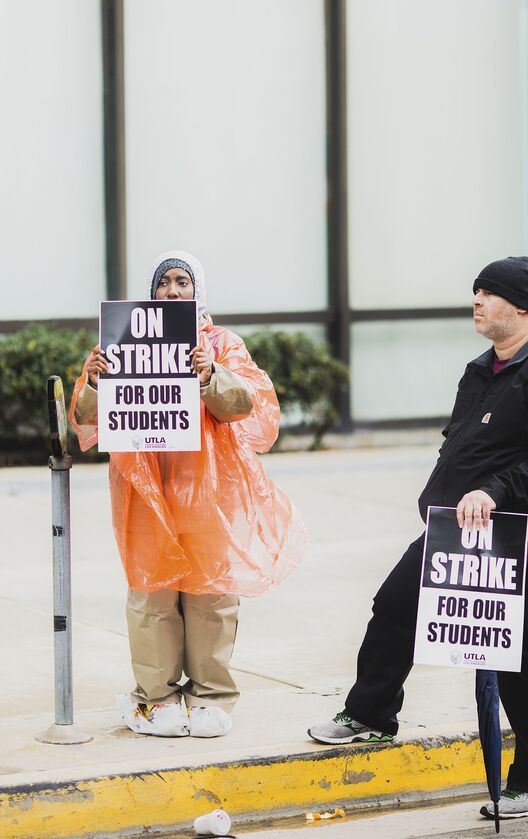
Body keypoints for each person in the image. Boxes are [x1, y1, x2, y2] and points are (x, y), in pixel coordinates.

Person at [309, 256, 528, 821]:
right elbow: (459, 441)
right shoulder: (479, 370)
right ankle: (372, 715)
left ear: (522, 305)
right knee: (396, 605)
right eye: (475, 291)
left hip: (512, 533)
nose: (476, 300)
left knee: (512, 659)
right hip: (452, 528)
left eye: (489, 292)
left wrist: (495, 491)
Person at [70, 250, 308, 738]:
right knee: (151, 589)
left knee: (209, 591)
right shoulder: (121, 339)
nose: (173, 291)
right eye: (165, 283)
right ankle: (154, 697)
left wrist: (210, 373)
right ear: (152, 291)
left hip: (209, 488)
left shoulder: (222, 343)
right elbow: (88, 416)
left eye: (183, 281)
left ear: (197, 290)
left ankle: (211, 696)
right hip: (145, 485)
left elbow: (250, 405)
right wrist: (95, 378)